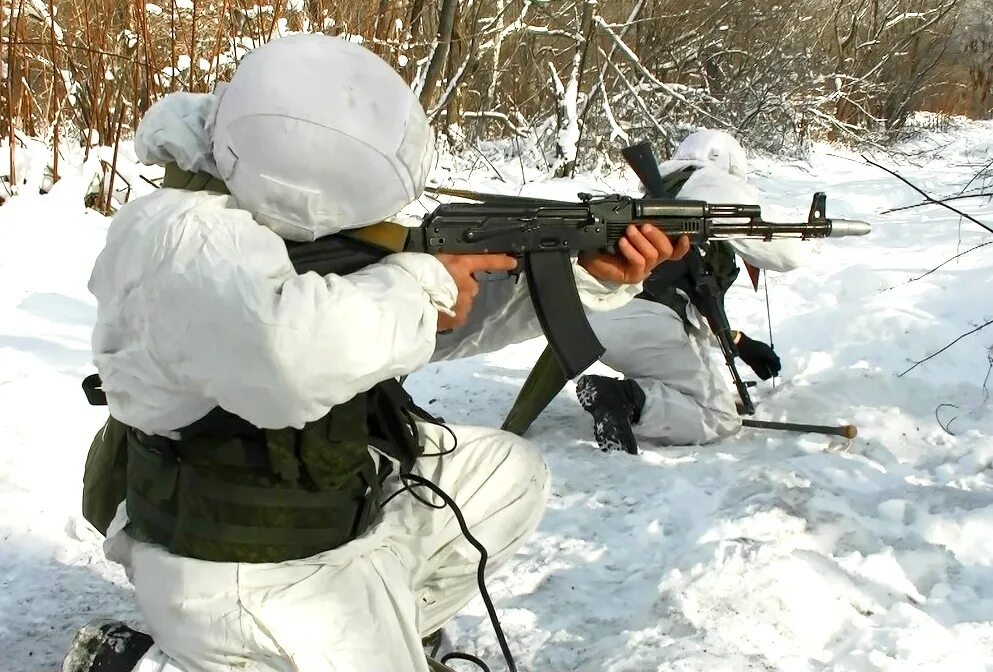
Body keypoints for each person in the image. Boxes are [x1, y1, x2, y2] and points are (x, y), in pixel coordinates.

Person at [62, 34, 685, 672]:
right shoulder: (181, 241)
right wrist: (424, 284)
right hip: (240, 570)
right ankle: (141, 663)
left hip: (328, 507)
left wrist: (589, 275)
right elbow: (287, 357)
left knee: (504, 471)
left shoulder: (275, 204)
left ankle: (389, 634)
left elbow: (413, 325)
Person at [575, 129, 807, 453]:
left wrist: (739, 342)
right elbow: (787, 254)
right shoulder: (710, 185)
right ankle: (628, 399)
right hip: (644, 323)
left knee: (702, 374)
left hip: (596, 318)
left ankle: (639, 394)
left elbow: (692, 303)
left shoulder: (660, 195)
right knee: (721, 418)